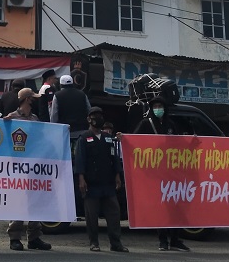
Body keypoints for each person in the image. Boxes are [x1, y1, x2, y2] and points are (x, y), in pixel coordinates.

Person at [133, 96, 190, 252]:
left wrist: (193, 143)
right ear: (151, 109)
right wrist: (123, 138)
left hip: (171, 173)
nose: (158, 108)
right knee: (161, 207)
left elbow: (180, 146)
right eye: (155, 106)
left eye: (160, 106)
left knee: (175, 206)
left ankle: (176, 240)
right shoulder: (145, 124)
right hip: (155, 173)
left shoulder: (171, 125)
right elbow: (134, 141)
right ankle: (163, 240)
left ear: (165, 108)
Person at [3, 87, 52, 251]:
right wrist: (5, 123)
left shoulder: (35, 119)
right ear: (27, 99)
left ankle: (34, 237)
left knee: (34, 201)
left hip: (33, 166)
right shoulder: (12, 117)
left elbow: (40, 140)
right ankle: (15, 237)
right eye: (33, 98)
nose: (36, 100)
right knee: (18, 201)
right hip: (17, 166)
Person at [73, 107, 128, 253]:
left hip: (108, 183)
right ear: (89, 119)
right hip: (91, 185)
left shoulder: (108, 138)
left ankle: (115, 243)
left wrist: (117, 175)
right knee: (91, 216)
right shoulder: (83, 138)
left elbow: (114, 157)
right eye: (95, 116)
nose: (98, 118)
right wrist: (81, 179)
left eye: (100, 115)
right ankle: (94, 242)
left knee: (114, 214)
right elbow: (80, 160)